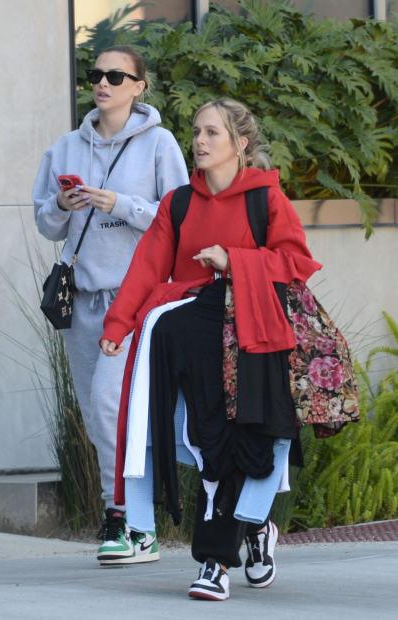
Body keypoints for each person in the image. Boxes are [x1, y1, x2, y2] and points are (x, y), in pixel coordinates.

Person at [100, 99, 323, 599]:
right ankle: (248, 536)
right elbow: (147, 266)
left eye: (211, 133)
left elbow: (296, 263)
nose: (199, 141)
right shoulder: (178, 203)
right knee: (208, 445)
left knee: (253, 440)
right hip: (192, 343)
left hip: (257, 341)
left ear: (241, 144)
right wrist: (119, 323)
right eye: (195, 132)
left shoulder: (266, 200)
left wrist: (233, 259)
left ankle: (217, 561)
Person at [33, 45, 189, 565]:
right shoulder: (65, 148)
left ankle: (123, 517)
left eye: (116, 76)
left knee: (107, 404)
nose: (103, 83)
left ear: (139, 86)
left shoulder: (160, 144)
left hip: (136, 300)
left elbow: (181, 218)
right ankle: (127, 517)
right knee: (96, 412)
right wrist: (62, 203)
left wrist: (119, 204)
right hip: (81, 302)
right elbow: (45, 224)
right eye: (96, 75)